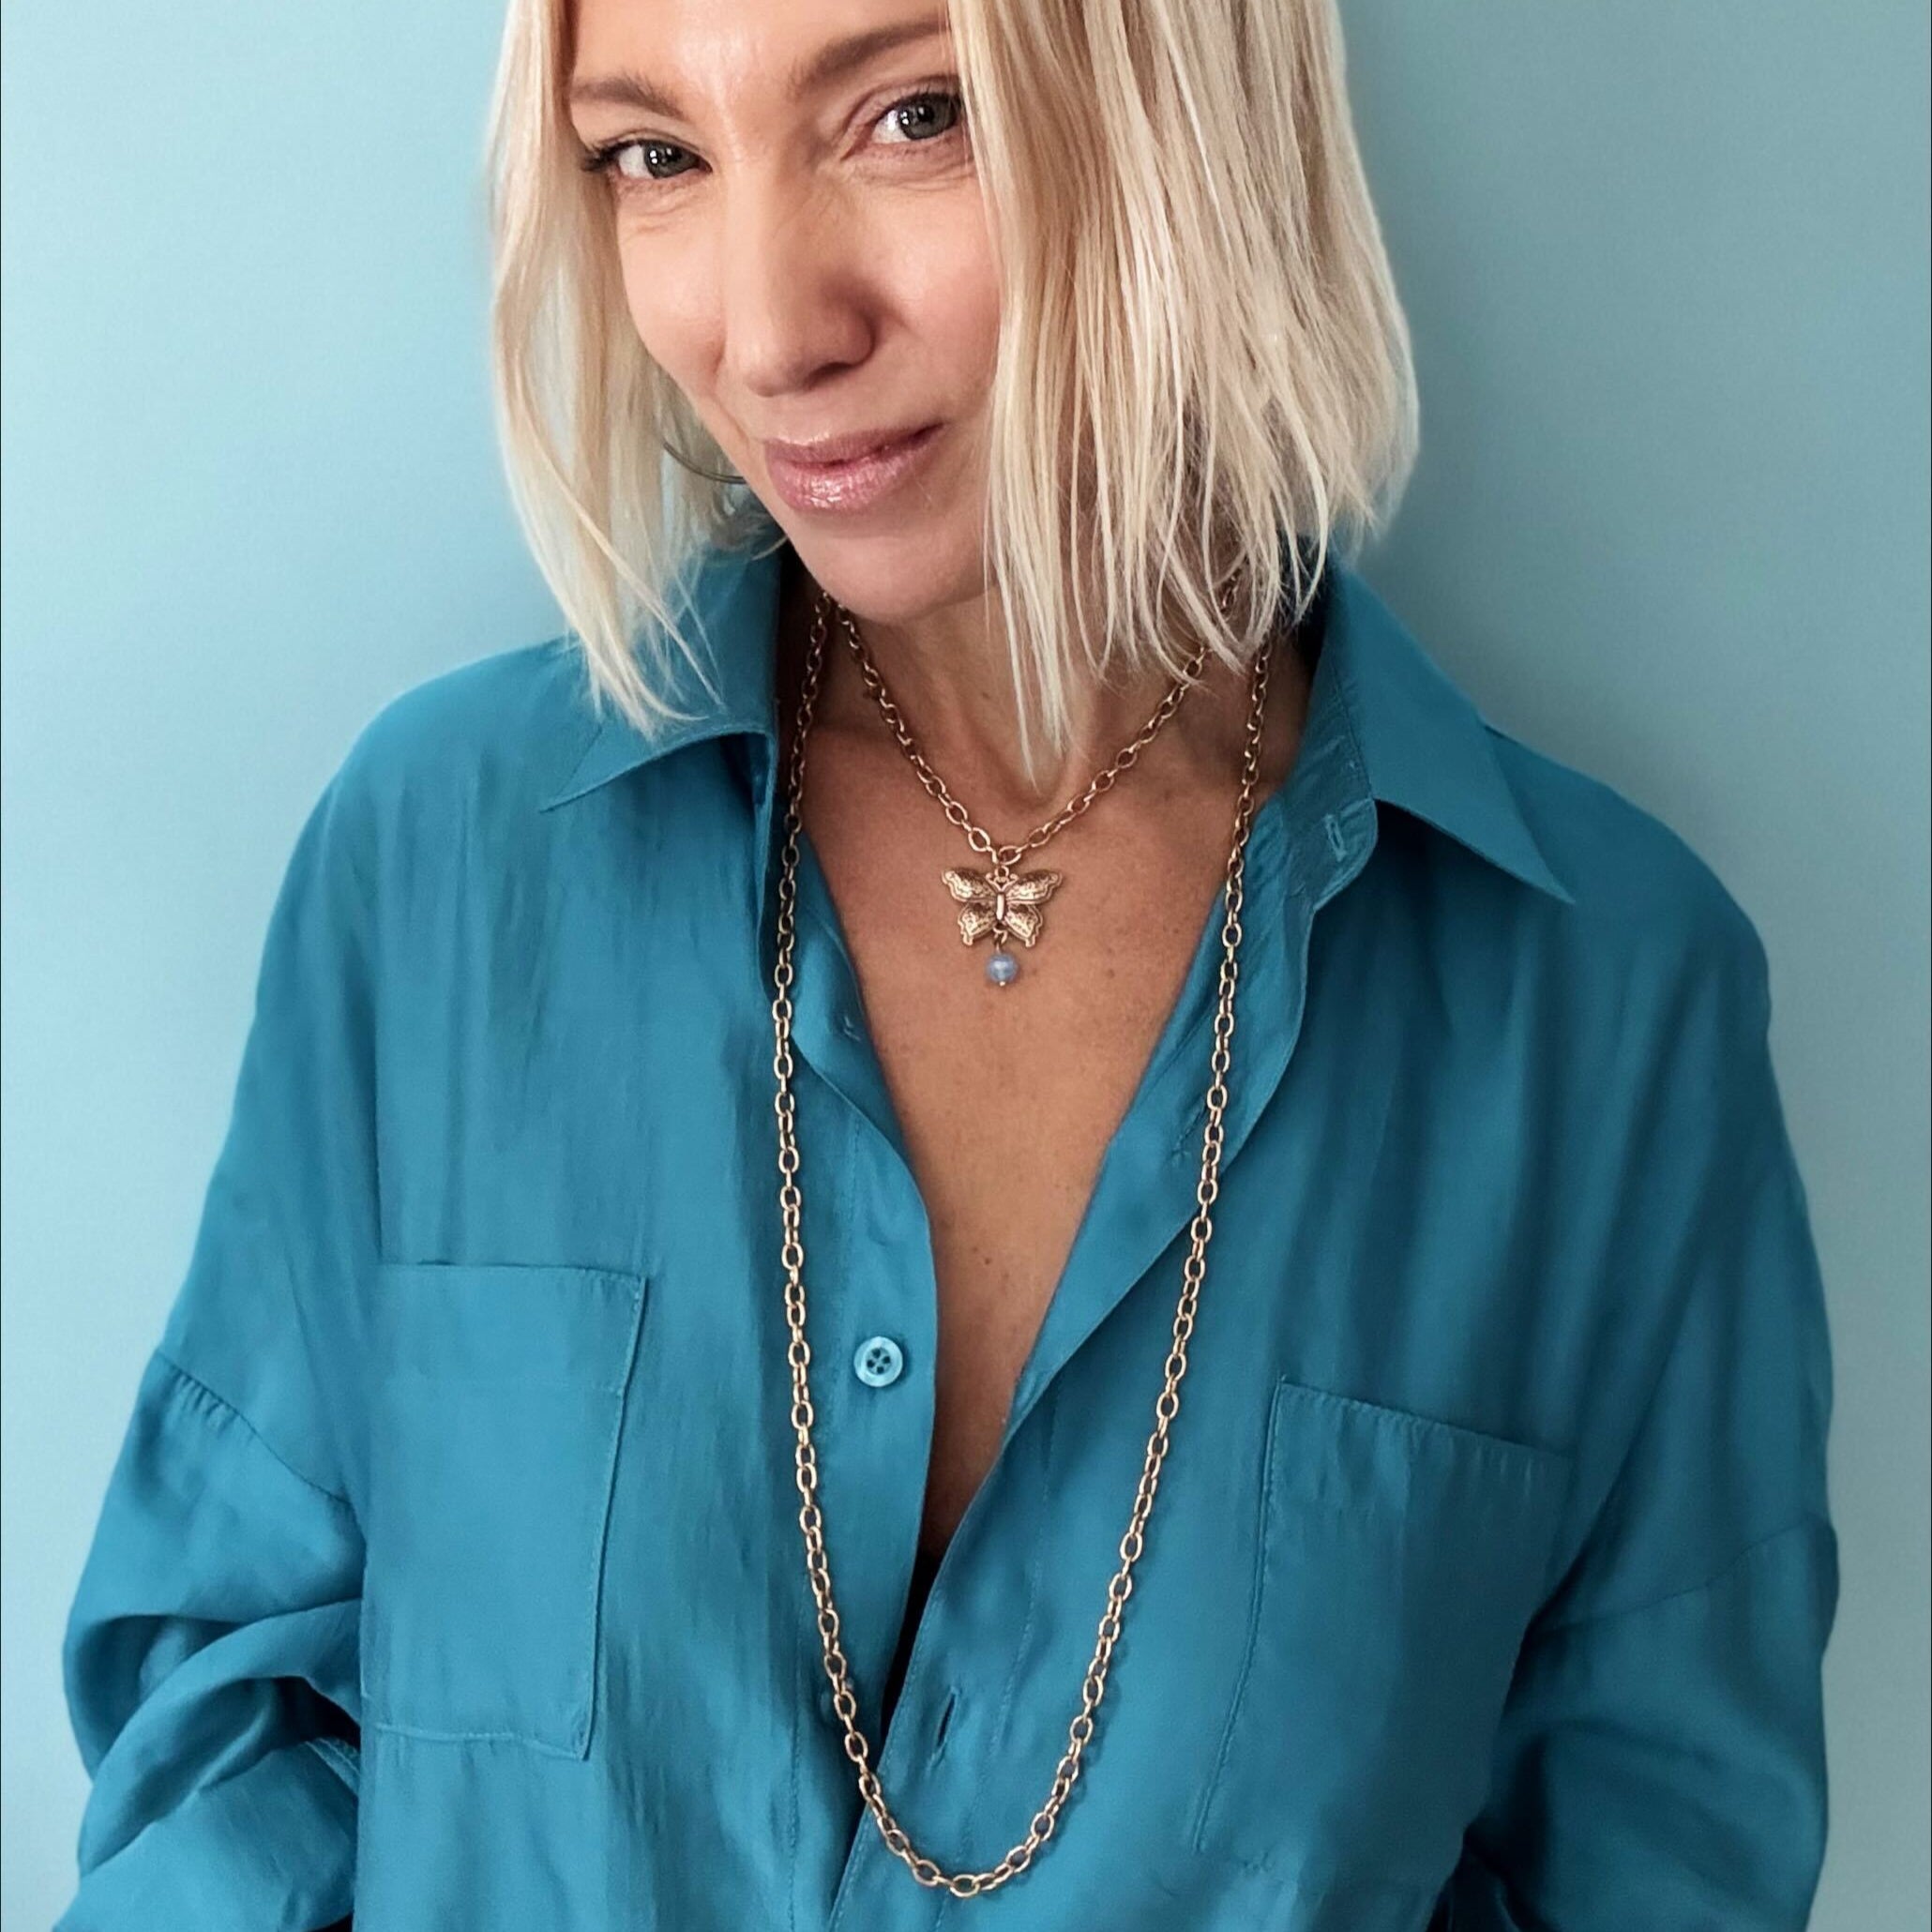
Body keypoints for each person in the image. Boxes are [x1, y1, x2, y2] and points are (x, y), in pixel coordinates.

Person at [56, 0, 1839, 1926]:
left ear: (1182, 99)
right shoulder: (445, 865)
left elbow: (1654, 1864)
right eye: (654, 155)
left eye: (913, 114)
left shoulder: (1604, 1009)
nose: (768, 331)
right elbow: (233, 1745)